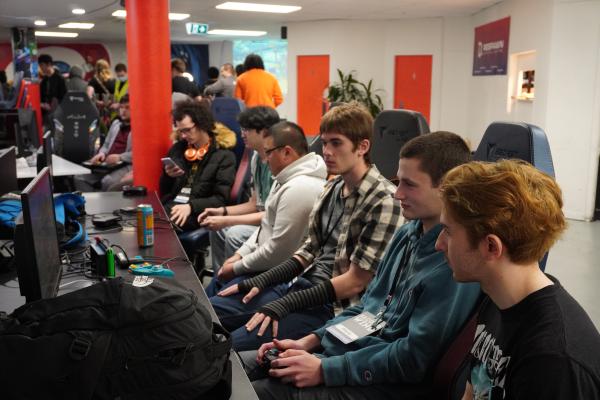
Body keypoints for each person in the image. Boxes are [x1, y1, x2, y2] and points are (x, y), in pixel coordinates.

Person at [245, 131, 481, 400]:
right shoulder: (407, 234)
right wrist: (311, 342)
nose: (397, 193)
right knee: (243, 366)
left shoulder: (453, 263)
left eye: (409, 185)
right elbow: (369, 308)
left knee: (258, 392)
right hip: (355, 357)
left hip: (388, 382)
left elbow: (413, 359)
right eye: (398, 182)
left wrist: (326, 369)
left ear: (447, 187)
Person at [214, 103, 402, 351]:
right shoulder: (332, 188)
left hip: (335, 307)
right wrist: (262, 279)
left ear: (362, 147)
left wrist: (286, 304)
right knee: (211, 313)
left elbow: (355, 282)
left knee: (231, 346)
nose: (327, 152)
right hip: (300, 286)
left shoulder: (384, 201)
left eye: (336, 143)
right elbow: (308, 250)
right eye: (324, 143)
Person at [436, 160, 600, 399]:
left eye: (448, 231)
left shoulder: (552, 363)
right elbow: (471, 391)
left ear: (491, 246)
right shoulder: (497, 299)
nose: (439, 244)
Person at [205, 121, 326, 296]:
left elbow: (278, 252)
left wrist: (237, 267)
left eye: (268, 152)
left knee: (214, 304)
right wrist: (239, 255)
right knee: (212, 291)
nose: (265, 158)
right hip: (265, 267)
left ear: (286, 152)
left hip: (277, 278)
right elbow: (266, 225)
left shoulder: (301, 187)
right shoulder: (285, 177)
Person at [198, 106, 279, 270]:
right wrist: (222, 211)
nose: (242, 134)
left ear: (264, 132)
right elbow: (254, 204)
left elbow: (272, 215)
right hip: (263, 219)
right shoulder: (256, 157)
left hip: (275, 225)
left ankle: (234, 277)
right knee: (217, 230)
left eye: (247, 130)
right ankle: (220, 277)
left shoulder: (277, 161)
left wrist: (227, 220)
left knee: (235, 233)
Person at [160, 100, 236, 237]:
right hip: (174, 205)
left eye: (188, 130)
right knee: (144, 218)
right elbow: (165, 191)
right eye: (180, 131)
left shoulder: (224, 156)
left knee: (160, 225)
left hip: (199, 212)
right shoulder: (178, 149)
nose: (183, 136)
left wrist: (191, 206)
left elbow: (220, 199)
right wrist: (168, 176)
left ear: (202, 124)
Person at [74, 94, 133, 191]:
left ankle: (102, 199)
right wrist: (102, 153)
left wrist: (120, 157)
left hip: (126, 164)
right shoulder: (116, 124)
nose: (123, 110)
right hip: (107, 163)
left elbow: (141, 154)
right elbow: (106, 145)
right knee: (79, 177)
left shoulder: (139, 127)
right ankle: (90, 200)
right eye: (121, 107)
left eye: (127, 107)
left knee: (107, 181)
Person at [38, 54, 67, 118]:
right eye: (39, 65)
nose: (40, 68)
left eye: (42, 65)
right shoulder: (44, 80)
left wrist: (52, 106)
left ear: (49, 64)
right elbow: (41, 96)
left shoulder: (60, 79)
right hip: (45, 114)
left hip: (57, 114)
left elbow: (64, 98)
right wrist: (42, 104)